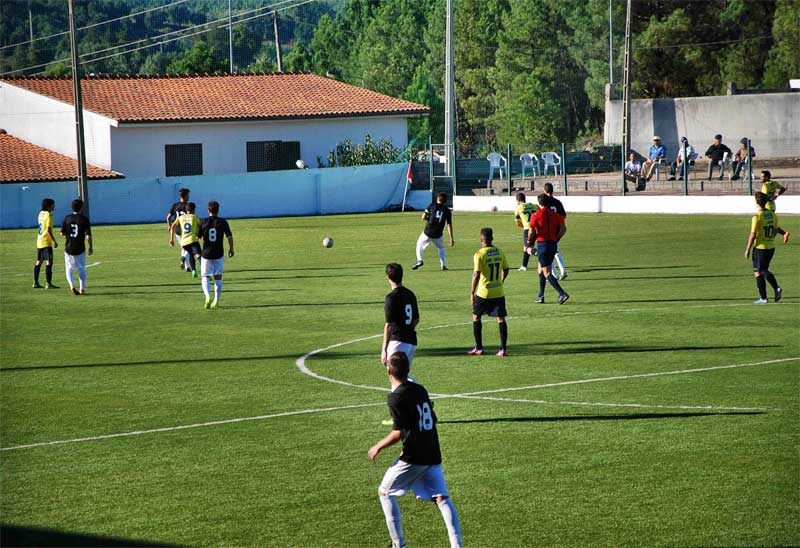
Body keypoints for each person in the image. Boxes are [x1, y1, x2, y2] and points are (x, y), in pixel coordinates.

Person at [368, 352, 462, 548]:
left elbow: (398, 433)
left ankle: (398, 544)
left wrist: (378, 446)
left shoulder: (395, 398)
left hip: (414, 455)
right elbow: (432, 419)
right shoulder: (420, 389)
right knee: (441, 497)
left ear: (388, 372)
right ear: (408, 369)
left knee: (385, 492)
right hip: (432, 450)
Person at [469, 227, 509, 356]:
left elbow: (476, 274)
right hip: (498, 291)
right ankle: (503, 349)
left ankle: (479, 348)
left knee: (476, 316)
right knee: (501, 319)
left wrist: (471, 293)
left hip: (483, 292)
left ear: (481, 239)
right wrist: (501, 281)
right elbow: (506, 269)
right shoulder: (499, 252)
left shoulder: (479, 254)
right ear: (492, 238)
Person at [527, 194, 569, 305]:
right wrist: (557, 238)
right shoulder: (555, 215)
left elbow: (531, 231)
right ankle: (541, 296)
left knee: (546, 272)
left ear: (539, 203)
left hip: (543, 245)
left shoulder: (536, 215)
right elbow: (564, 228)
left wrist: (529, 243)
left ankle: (562, 293)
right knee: (541, 269)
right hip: (553, 245)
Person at [745, 192, 784, 304]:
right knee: (760, 270)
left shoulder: (757, 217)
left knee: (760, 271)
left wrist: (747, 249)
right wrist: (770, 239)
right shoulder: (773, 215)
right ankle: (764, 297)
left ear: (757, 202)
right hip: (771, 247)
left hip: (760, 248)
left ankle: (775, 289)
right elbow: (776, 230)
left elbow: (752, 235)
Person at [381, 263, 420, 368]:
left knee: (394, 376)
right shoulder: (410, 294)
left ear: (388, 277)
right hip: (412, 341)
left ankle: (416, 385)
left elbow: (389, 325)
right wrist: (407, 329)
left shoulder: (391, 298)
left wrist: (384, 350)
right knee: (403, 375)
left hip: (398, 343)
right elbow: (416, 319)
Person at [198, 201, 234, 309]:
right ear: (218, 210)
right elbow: (229, 236)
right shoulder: (223, 222)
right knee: (218, 277)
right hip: (218, 253)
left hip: (206, 254)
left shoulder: (203, 221)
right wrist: (231, 248)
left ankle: (208, 296)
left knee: (205, 276)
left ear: (208, 210)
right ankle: (216, 300)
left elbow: (198, 236)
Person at [411, 192, 454, 271]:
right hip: (438, 234)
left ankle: (420, 260)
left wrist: (430, 219)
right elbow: (449, 225)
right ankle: (443, 265)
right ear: (445, 201)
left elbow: (423, 217)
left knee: (419, 245)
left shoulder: (431, 205)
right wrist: (451, 238)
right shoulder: (447, 211)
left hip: (428, 231)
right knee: (441, 248)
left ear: (437, 198)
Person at [60, 198, 93, 296]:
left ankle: (72, 286)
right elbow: (88, 236)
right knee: (81, 268)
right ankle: (82, 289)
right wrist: (90, 247)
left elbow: (62, 233)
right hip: (80, 247)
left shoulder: (67, 218)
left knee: (68, 268)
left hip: (69, 247)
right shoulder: (84, 219)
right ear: (81, 208)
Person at [169, 201, 202, 278]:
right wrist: (200, 234)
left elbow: (173, 226)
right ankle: (206, 272)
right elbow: (201, 226)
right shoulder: (194, 217)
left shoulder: (180, 218)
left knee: (191, 254)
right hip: (193, 240)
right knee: (199, 255)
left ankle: (193, 270)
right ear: (193, 210)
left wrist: (171, 239)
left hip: (184, 242)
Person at [33, 198, 59, 289]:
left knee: (39, 261)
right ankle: (48, 283)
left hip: (39, 241)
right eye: (53, 205)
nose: (54, 206)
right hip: (46, 242)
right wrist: (54, 241)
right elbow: (48, 230)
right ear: (48, 206)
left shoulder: (40, 214)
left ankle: (35, 282)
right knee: (49, 262)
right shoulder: (49, 215)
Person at [543, 183, 568, 280]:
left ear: (545, 191)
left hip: (548, 231)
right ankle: (562, 271)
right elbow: (564, 216)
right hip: (558, 230)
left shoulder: (544, 202)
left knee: (549, 253)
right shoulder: (557, 202)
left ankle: (554, 274)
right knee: (556, 251)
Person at [760, 170, 790, 244]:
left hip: (766, 206)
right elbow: (783, 189)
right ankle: (783, 234)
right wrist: (776, 195)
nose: (761, 178)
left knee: (766, 223)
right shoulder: (774, 183)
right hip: (772, 206)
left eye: (763, 176)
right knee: (770, 223)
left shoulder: (765, 185)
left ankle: (772, 238)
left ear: (767, 177)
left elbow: (764, 197)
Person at [166, 188, 191, 272]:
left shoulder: (175, 205)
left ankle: (187, 267)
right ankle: (183, 259)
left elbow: (168, 217)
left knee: (183, 248)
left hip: (177, 230)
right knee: (188, 248)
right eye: (188, 195)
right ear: (185, 196)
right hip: (186, 230)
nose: (189, 196)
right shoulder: (188, 206)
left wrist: (169, 226)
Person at [514, 193, 539, 271]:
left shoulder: (518, 208)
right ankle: (524, 266)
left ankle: (538, 252)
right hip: (538, 229)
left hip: (528, 229)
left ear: (518, 200)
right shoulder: (535, 206)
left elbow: (517, 223)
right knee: (525, 247)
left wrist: (524, 226)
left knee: (528, 248)